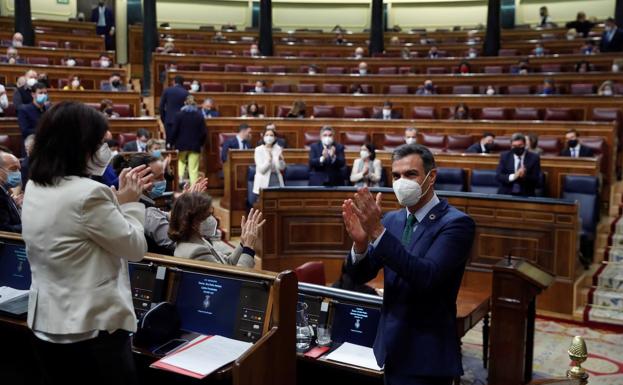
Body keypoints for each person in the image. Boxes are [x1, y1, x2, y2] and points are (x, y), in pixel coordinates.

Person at [22, 101, 150, 384]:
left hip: (47, 325)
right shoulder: (91, 193)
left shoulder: (35, 185)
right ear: (79, 145)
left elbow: (74, 223)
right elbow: (135, 248)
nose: (105, 149)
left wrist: (114, 201)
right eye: (100, 141)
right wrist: (129, 204)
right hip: (91, 335)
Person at [342, 143, 475, 384]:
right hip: (391, 345)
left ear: (431, 177)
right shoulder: (392, 220)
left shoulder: (456, 224)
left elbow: (427, 276)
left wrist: (377, 232)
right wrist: (360, 245)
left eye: (410, 174)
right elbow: (358, 276)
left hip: (426, 354)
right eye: (396, 176)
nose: (402, 181)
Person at [169, 193, 263, 268]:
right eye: (209, 214)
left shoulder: (195, 240)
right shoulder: (197, 252)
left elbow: (227, 264)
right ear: (194, 222)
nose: (214, 219)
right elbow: (235, 279)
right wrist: (248, 249)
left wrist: (243, 243)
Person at [170, 95, 207, 185]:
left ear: (184, 103)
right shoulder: (199, 115)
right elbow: (204, 132)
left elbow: (174, 130)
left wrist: (172, 142)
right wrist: (201, 143)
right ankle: (194, 188)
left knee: (181, 163)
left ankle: (179, 183)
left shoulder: (179, 115)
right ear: (195, 104)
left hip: (181, 144)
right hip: (195, 145)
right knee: (193, 168)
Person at [253, 125, 285, 197]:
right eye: (267, 135)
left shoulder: (278, 148)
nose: (269, 137)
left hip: (276, 179)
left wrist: (281, 160)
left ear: (274, 138)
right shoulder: (258, 150)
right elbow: (261, 170)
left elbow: (281, 168)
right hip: (263, 181)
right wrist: (269, 160)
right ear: (263, 137)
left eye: (271, 135)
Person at [159, 75, 189, 148]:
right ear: (183, 83)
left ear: (174, 82)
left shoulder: (167, 90)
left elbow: (161, 106)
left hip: (169, 120)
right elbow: (188, 107)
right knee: (179, 142)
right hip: (182, 121)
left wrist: (164, 118)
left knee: (169, 142)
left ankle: (169, 157)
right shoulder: (186, 93)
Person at [0, 150, 22, 233]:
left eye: (19, 169)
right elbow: (4, 230)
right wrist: (29, 226)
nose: (18, 173)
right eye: (14, 169)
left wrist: (14, 205)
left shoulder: (4, 190)